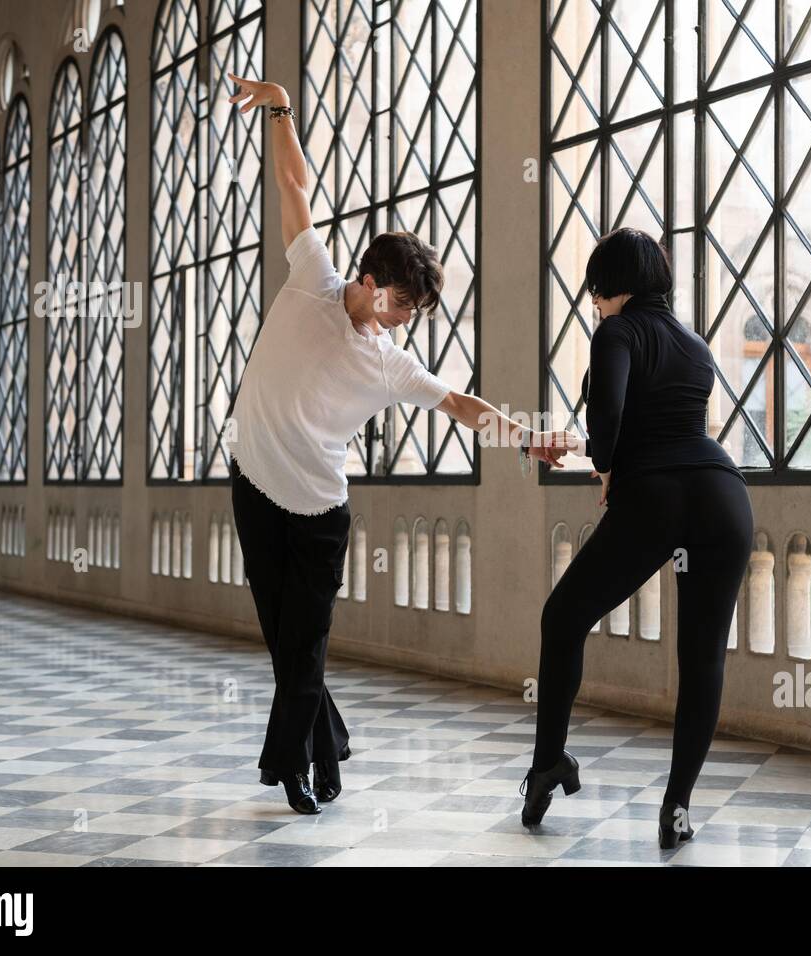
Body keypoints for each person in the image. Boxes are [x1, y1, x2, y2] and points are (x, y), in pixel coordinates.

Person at [225, 74, 567, 814]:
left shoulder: (389, 361)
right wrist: (280, 103)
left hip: (318, 510)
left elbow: (460, 404)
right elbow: (291, 179)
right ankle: (330, 748)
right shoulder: (313, 275)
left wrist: (527, 438)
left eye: (417, 310)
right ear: (373, 282)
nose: (408, 319)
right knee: (288, 645)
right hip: (252, 482)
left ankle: (290, 768)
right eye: (405, 303)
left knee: (305, 642)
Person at [519, 227, 755, 848]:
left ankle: (549, 761)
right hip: (724, 497)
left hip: (656, 498)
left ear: (614, 287)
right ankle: (677, 808)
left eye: (597, 291)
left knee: (563, 618)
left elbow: (610, 421)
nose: (594, 303)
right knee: (702, 659)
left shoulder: (616, 332)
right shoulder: (697, 344)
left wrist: (605, 464)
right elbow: (680, 423)